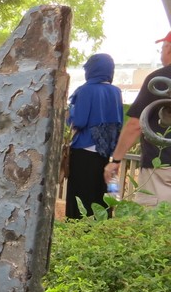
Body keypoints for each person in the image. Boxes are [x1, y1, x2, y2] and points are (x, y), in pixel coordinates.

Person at [104, 32, 171, 206]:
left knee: (155, 224)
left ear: (169, 49)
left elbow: (135, 124)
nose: (161, 53)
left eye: (162, 48)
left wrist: (116, 160)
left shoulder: (158, 80)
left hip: (161, 166)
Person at [65, 53, 123, 218]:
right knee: (100, 196)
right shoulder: (115, 92)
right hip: (105, 154)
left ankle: (77, 237)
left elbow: (80, 121)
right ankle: (99, 236)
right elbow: (118, 123)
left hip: (83, 152)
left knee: (80, 198)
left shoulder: (86, 90)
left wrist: (69, 113)